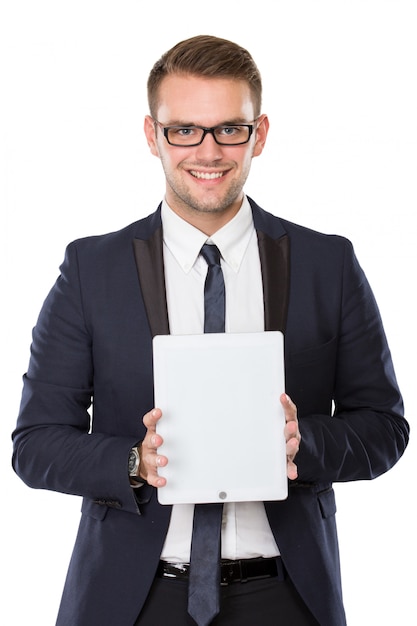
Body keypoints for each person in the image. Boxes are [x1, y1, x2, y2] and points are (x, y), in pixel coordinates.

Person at [12, 34, 409, 626]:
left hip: (286, 596)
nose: (209, 151)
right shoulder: (90, 270)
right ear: (153, 135)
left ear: (260, 133)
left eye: (230, 129)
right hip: (131, 597)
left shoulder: (329, 264)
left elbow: (384, 428)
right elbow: (36, 443)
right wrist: (133, 462)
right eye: (184, 130)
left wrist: (305, 445)